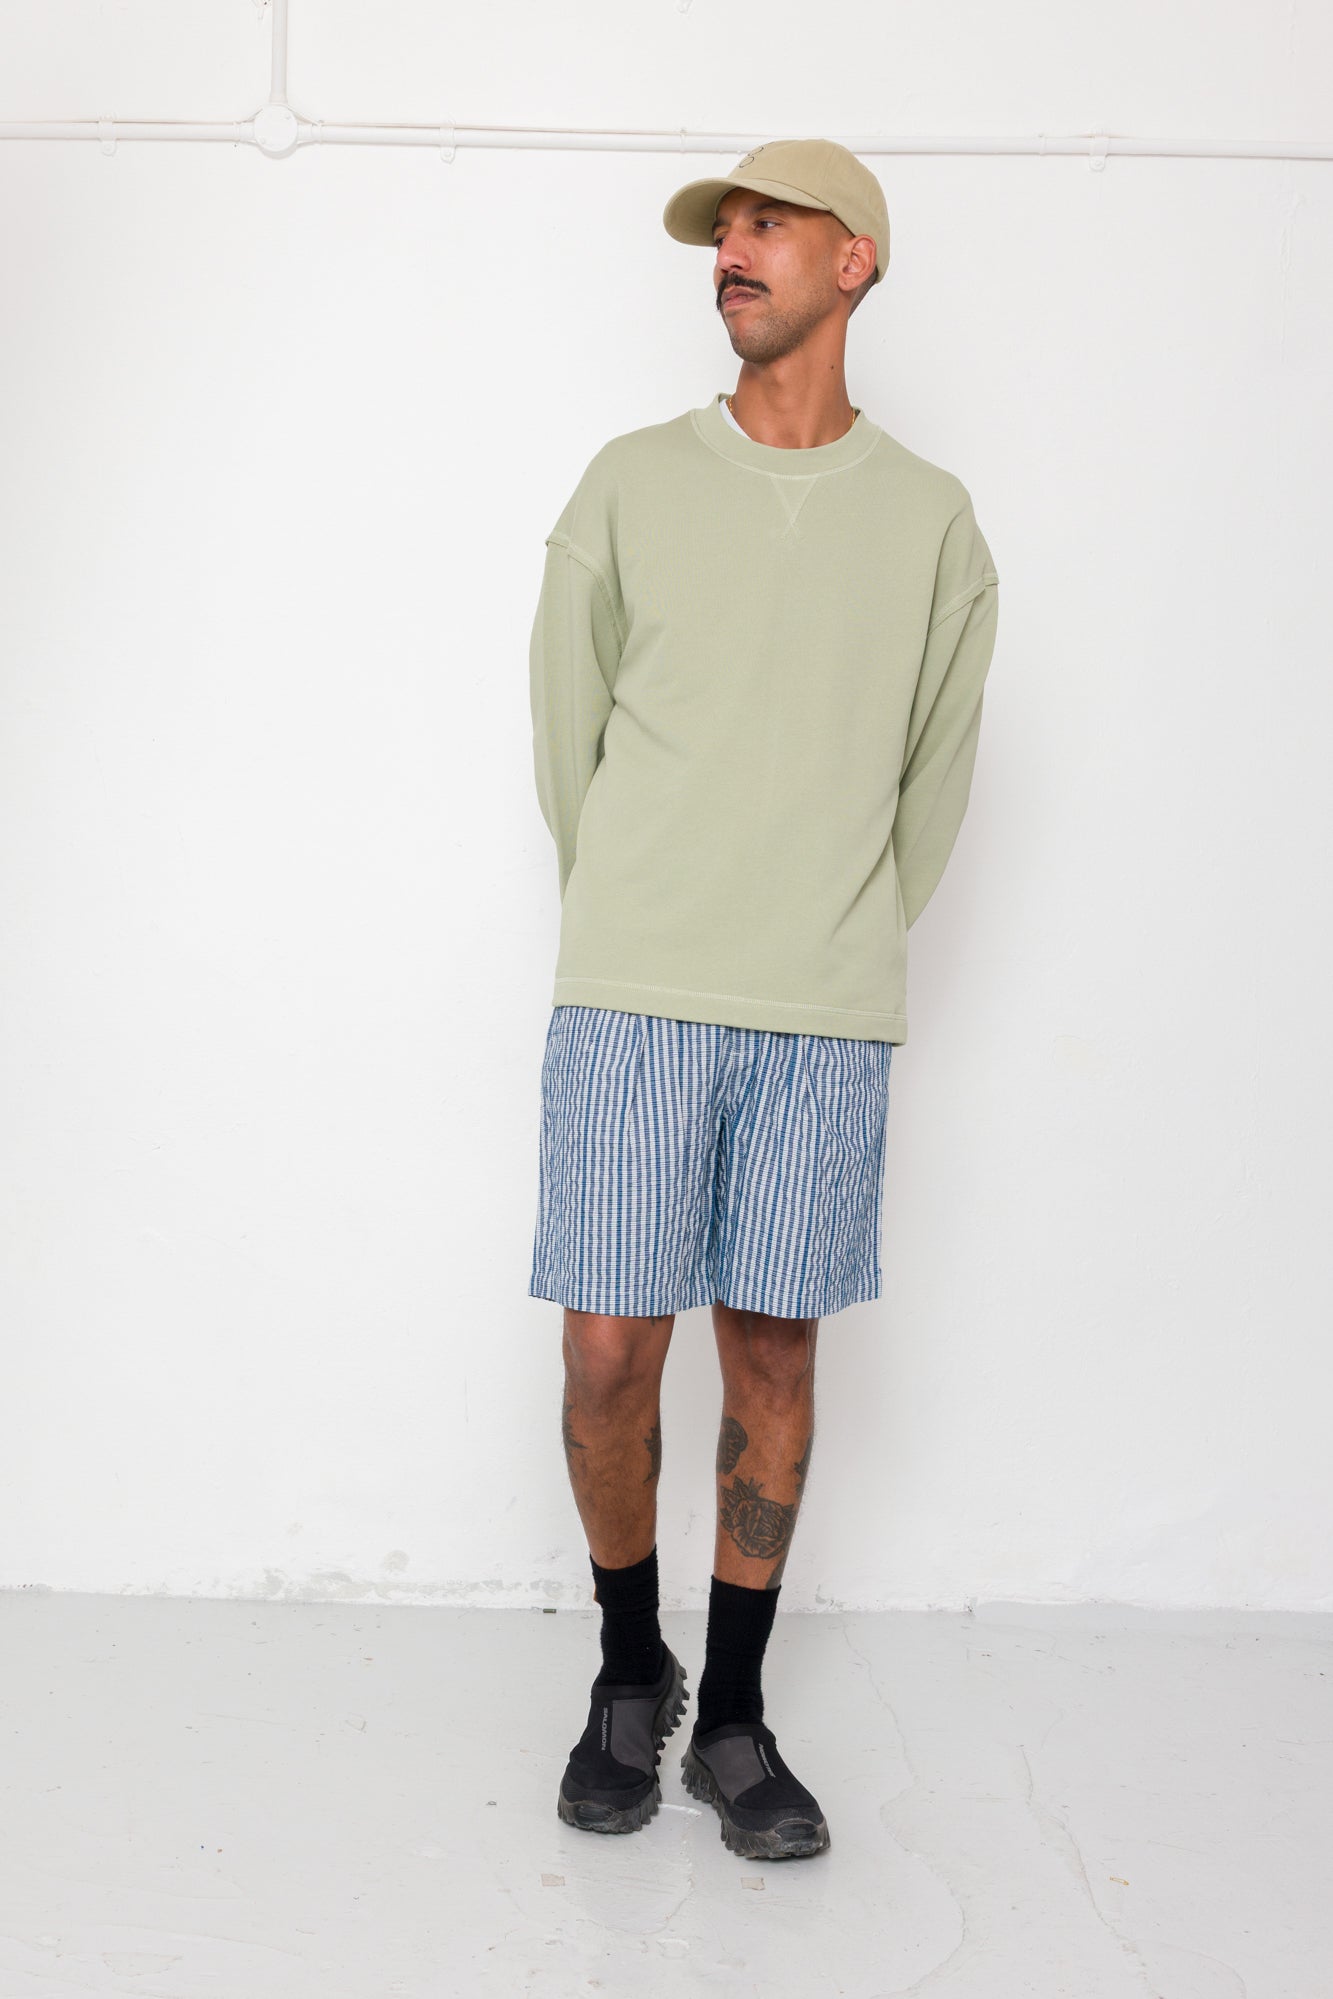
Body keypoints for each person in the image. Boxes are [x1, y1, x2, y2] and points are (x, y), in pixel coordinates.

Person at [526, 137, 1000, 1861]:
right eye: (720, 230)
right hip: (635, 985)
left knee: (775, 1350)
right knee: (606, 1349)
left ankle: (729, 1715)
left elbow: (932, 782)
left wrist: (827, 938)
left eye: (767, 225)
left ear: (852, 260)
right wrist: (644, 910)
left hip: (819, 1007)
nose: (731, 250)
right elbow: (564, 738)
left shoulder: (930, 521)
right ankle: (624, 1669)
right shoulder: (630, 484)